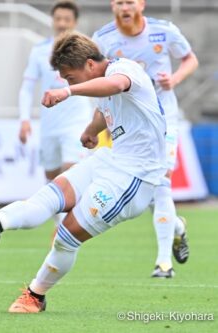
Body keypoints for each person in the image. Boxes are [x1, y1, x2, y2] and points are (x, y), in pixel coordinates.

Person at [0, 32, 167, 313]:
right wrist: (91, 130)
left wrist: (68, 92)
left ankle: (35, 295)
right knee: (48, 197)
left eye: (70, 77)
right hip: (110, 160)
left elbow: (115, 85)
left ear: (89, 64)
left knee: (66, 236)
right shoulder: (100, 80)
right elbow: (105, 106)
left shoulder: (124, 69)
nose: (67, 82)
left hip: (135, 178)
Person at [92, 0, 198, 278]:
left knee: (162, 180)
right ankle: (176, 227)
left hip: (164, 118)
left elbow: (190, 59)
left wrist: (173, 80)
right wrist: (96, 125)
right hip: (128, 124)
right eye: (119, 2)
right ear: (112, 6)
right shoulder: (102, 39)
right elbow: (97, 80)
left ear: (141, 4)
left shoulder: (164, 31)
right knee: (145, 189)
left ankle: (164, 263)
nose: (124, 7)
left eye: (130, 1)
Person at [19, 1, 91, 183]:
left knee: (70, 171)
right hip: (49, 124)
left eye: (66, 19)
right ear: (52, 21)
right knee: (51, 176)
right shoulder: (39, 51)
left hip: (77, 122)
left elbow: (100, 82)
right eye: (58, 19)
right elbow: (27, 88)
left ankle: (74, 212)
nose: (62, 24)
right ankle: (62, 212)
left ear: (75, 22)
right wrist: (24, 119)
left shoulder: (88, 50)